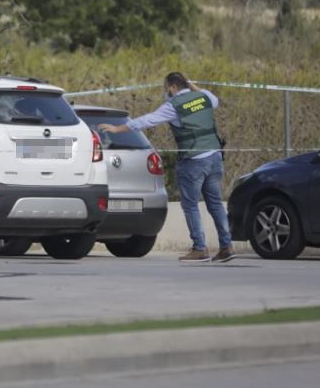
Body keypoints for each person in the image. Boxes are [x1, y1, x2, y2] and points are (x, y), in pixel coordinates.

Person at [98, 72, 235, 262]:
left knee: (190, 205)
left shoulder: (174, 106)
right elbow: (216, 101)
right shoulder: (205, 98)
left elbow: (146, 120)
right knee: (215, 204)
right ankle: (227, 246)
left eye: (166, 88)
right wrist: (192, 84)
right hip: (214, 157)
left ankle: (199, 248)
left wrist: (117, 129)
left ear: (172, 87)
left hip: (194, 160)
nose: (166, 92)